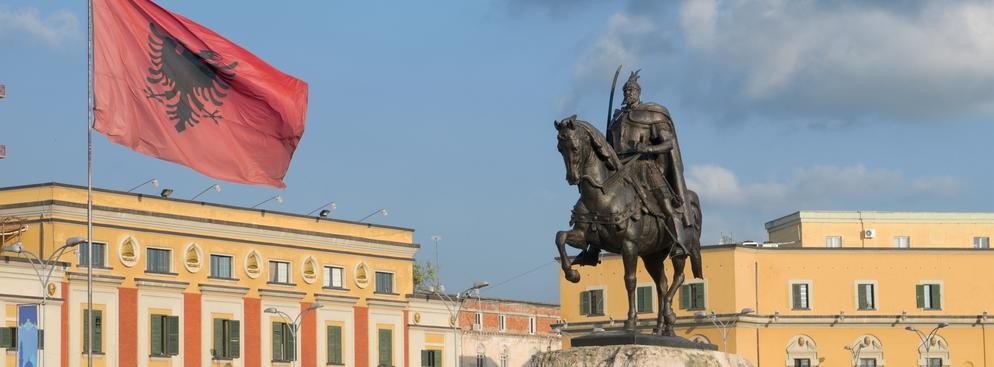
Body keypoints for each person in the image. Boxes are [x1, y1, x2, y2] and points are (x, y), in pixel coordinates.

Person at [572, 70, 690, 266]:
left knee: (665, 202)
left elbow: (668, 143)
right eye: (626, 90)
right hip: (619, 168)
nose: (629, 93)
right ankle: (592, 250)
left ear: (638, 92)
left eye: (632, 90)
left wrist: (648, 148)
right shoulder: (617, 119)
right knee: (595, 203)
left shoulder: (651, 114)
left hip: (645, 166)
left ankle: (678, 242)